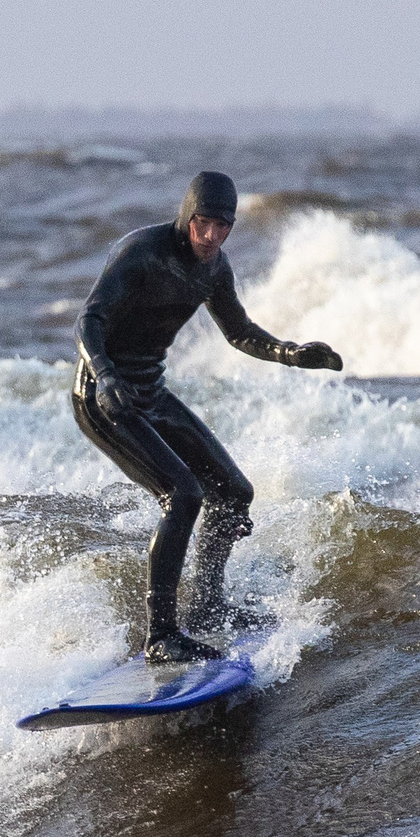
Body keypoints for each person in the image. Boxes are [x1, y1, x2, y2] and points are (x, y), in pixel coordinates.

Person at [72, 171, 344, 662]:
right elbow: (88, 319)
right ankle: (160, 634)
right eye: (203, 223)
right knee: (182, 494)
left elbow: (239, 332)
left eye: (223, 227)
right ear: (186, 216)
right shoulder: (141, 252)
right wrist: (105, 374)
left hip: (150, 392)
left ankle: (207, 605)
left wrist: (289, 353)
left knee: (234, 492)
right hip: (103, 396)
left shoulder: (215, 269)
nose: (212, 236)